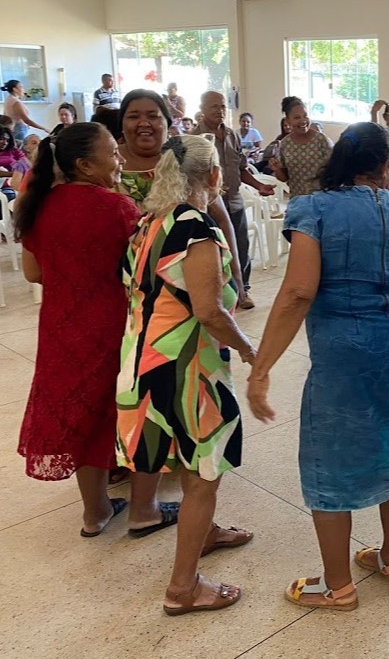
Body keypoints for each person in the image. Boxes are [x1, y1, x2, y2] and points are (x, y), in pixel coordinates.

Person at [247, 121, 389, 611]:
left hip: (342, 349)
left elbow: (298, 291)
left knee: (329, 455)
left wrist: (261, 368)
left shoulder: (314, 209)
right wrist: (385, 323)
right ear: (387, 167)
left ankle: (337, 586)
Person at [118, 134, 265, 615]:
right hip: (185, 371)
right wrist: (248, 350)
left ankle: (204, 533)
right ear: (215, 177)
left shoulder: (148, 224)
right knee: (204, 472)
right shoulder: (196, 228)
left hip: (142, 363)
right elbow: (208, 310)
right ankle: (183, 588)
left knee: (188, 459)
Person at [14, 122, 176, 538]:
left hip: (61, 328)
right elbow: (147, 270)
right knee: (139, 411)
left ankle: (95, 512)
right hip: (118, 325)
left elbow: (34, 273)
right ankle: (145, 509)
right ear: (85, 165)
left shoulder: (37, 206)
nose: (120, 160)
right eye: (113, 154)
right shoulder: (116, 208)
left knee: (83, 415)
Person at [115, 89, 248, 306]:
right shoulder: (109, 163)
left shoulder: (186, 156)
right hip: (122, 284)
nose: (144, 123)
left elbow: (222, 219)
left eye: (152, 116)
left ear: (167, 123)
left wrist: (237, 277)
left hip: (186, 287)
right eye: (133, 116)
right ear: (122, 123)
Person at [194, 90, 275, 307]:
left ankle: (243, 291)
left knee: (240, 246)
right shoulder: (195, 138)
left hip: (235, 200)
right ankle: (218, 294)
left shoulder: (232, 135)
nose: (220, 111)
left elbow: (241, 169)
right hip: (208, 205)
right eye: (214, 106)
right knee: (214, 250)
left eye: (222, 106)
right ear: (202, 110)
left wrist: (259, 186)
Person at [270, 97, 332, 198]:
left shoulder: (321, 140)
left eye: (305, 116)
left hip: (322, 199)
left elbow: (335, 169)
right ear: (288, 121)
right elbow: (284, 178)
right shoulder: (285, 144)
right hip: (298, 200)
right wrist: (277, 169)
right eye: (297, 117)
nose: (303, 121)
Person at [0, 127, 29, 205]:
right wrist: (14, 174)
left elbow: (26, 164)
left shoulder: (13, 150)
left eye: (7, 140)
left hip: (14, 183)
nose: (5, 143)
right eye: (2, 139)